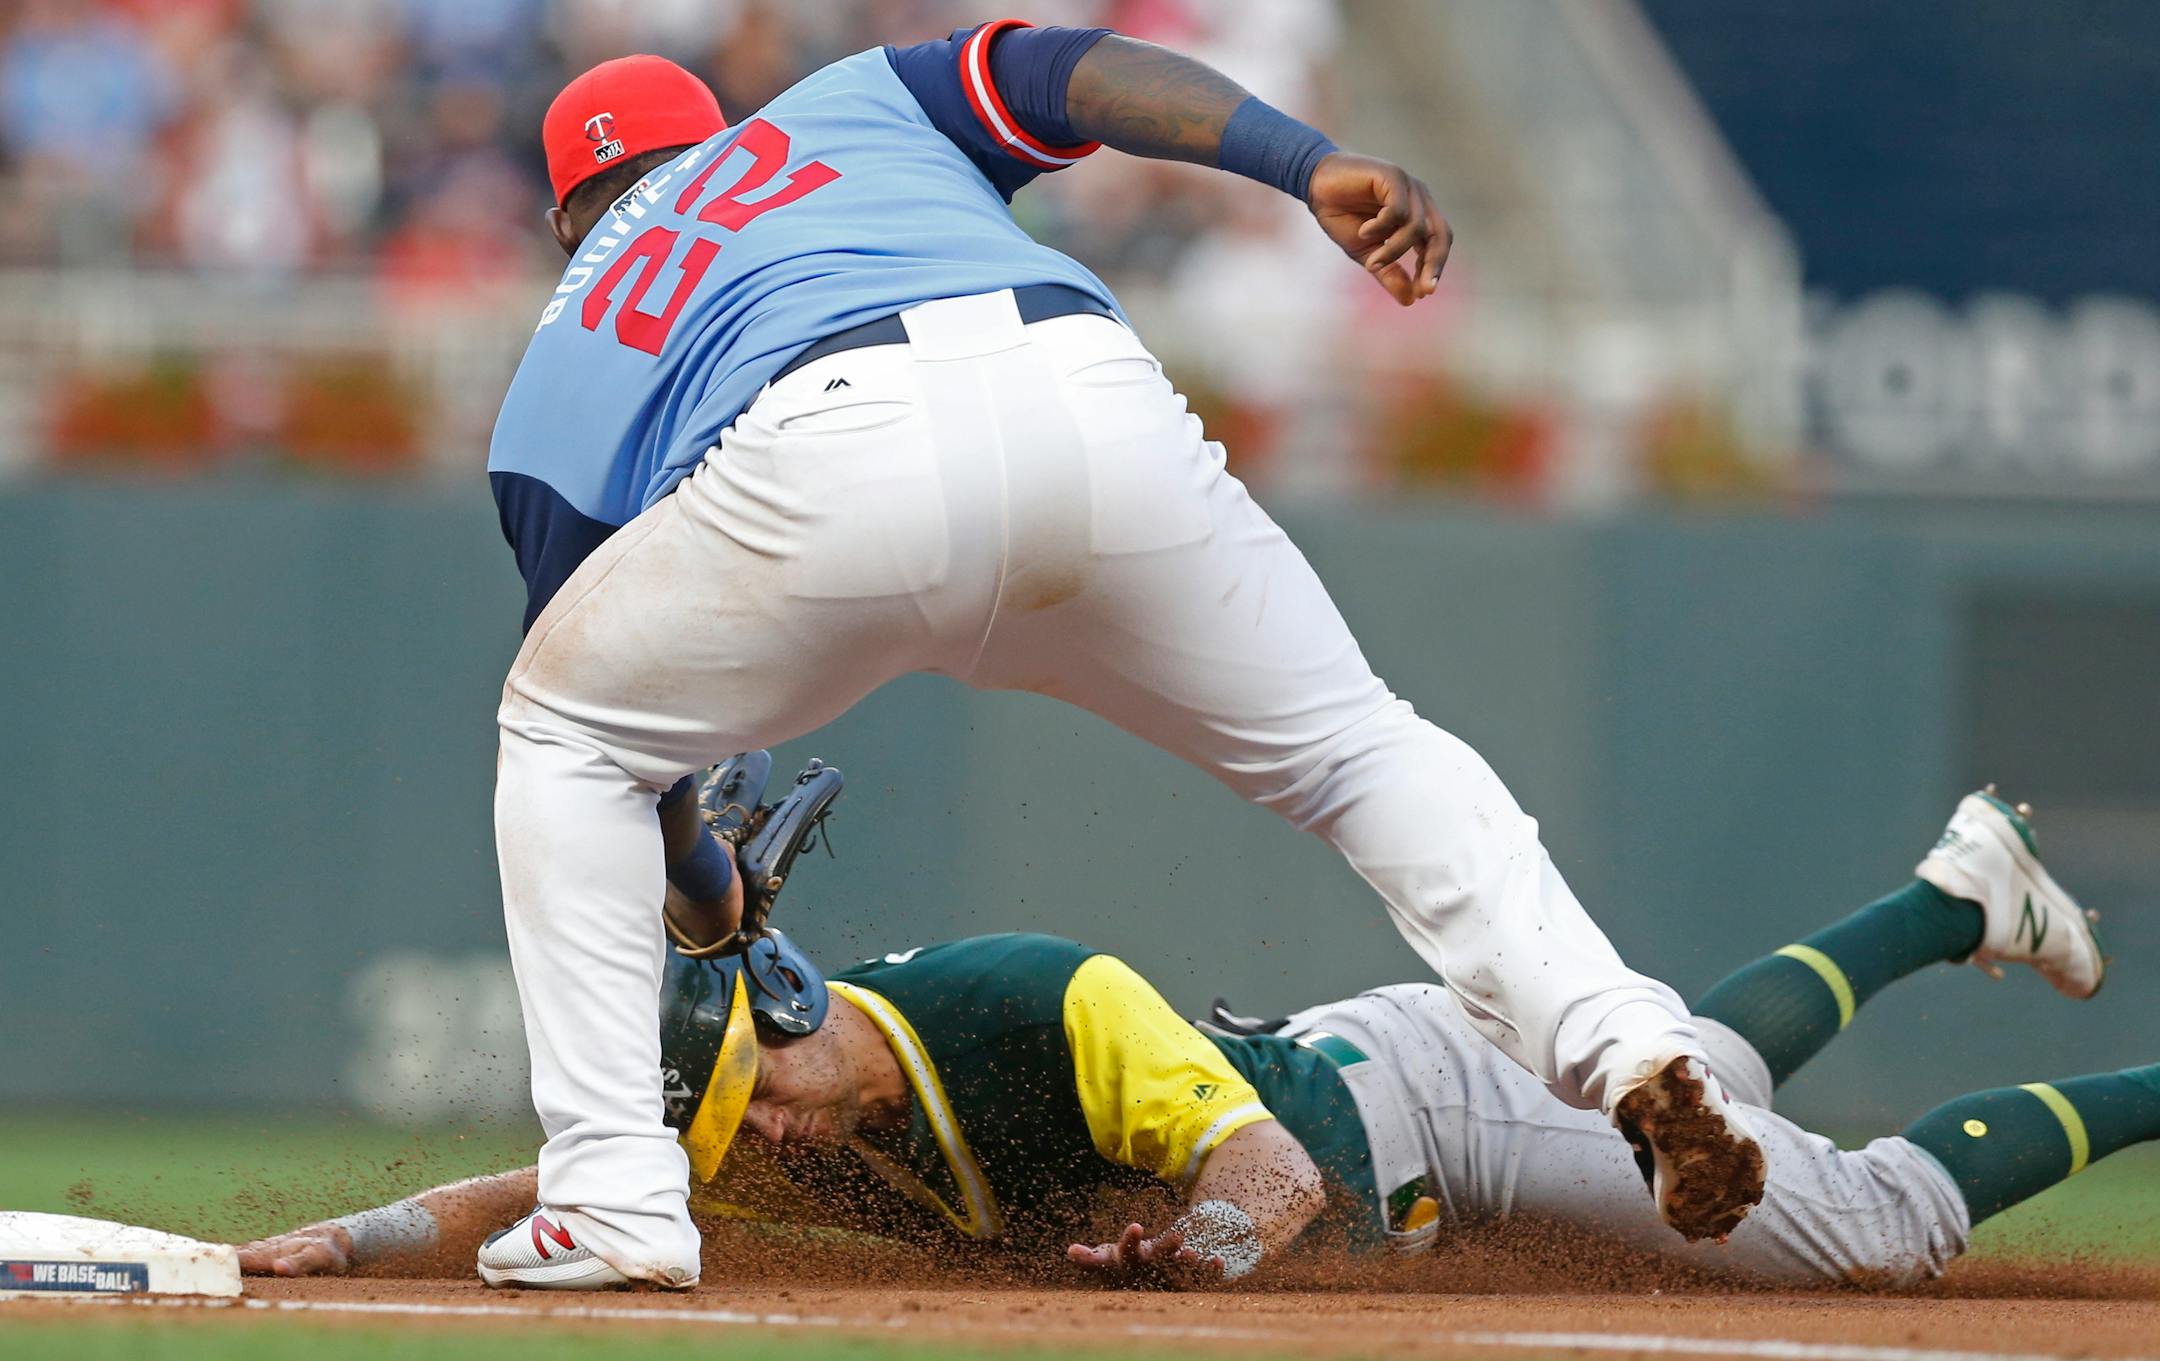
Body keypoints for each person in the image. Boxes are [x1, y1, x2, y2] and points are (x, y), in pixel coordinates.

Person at [486, 21, 1749, 1290]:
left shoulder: (567, 344)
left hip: (822, 458)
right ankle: (1631, 1041)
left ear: (564, 225)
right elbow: (1065, 69)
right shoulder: (838, 106)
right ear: (724, 137)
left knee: (563, 735)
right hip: (1084, 395)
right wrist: (1301, 161)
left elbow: (635, 775)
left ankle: (609, 1201)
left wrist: (705, 899)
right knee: (1358, 749)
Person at [243, 789, 2139, 1290]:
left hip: (1432, 1115)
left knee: (1879, 1222)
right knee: (1704, 1063)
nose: (772, 1148)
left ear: (798, 1015)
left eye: (766, 1099)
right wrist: (352, 1241)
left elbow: (1271, 1178)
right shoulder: (776, 1114)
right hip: (1392, 1088)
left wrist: (1204, 1247)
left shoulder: (1034, 996)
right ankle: (1967, 892)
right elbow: (578, 1179)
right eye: (735, 1131)